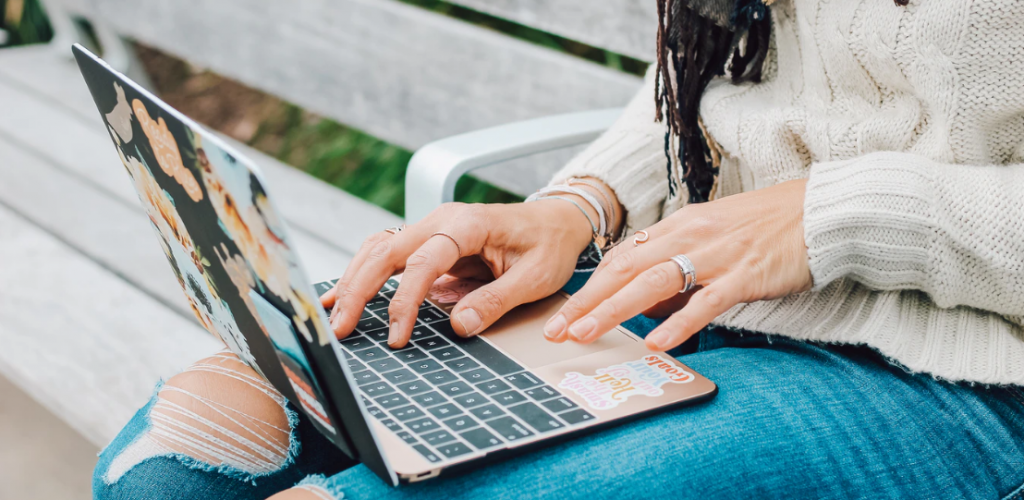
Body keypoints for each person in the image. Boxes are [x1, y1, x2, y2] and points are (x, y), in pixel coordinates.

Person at [93, 0, 1024, 498]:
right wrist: (580, 206)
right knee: (168, 467)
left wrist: (836, 217)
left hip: (961, 362)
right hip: (680, 281)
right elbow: (728, 69)